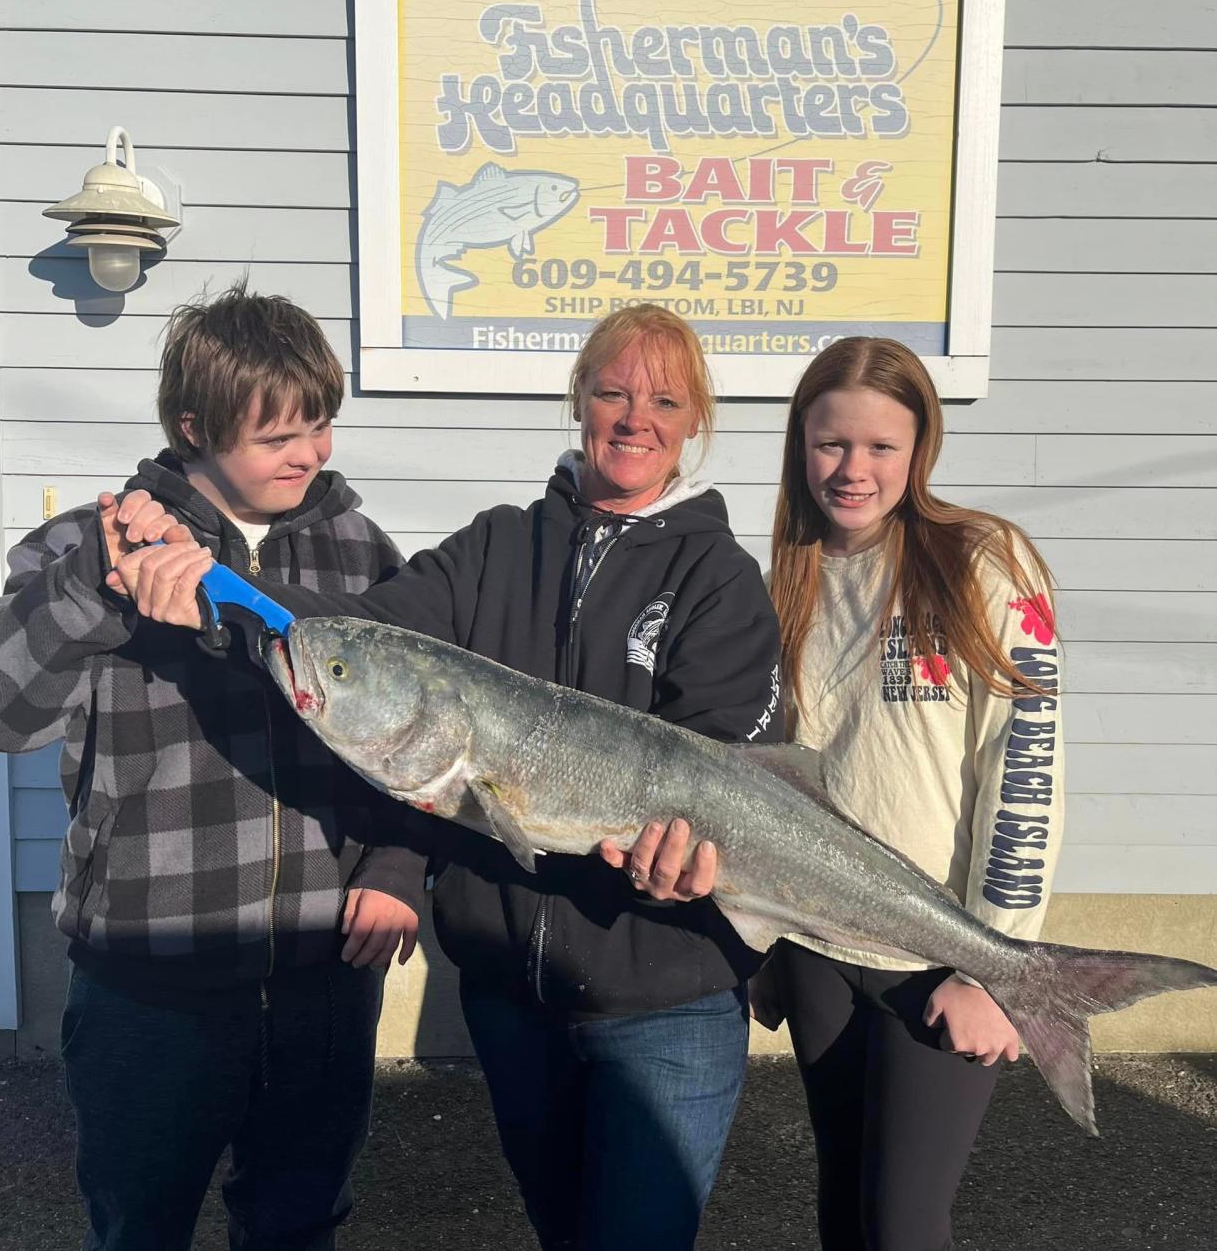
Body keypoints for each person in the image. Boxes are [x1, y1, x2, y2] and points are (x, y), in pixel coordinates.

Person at [111, 304, 785, 1251]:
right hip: (513, 996)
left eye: (665, 401)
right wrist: (210, 575)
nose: (635, 419)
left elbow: (736, 765)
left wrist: (700, 860)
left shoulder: (718, 576)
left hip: (662, 990)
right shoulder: (493, 547)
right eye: (612, 392)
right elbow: (355, 631)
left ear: (694, 421)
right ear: (578, 400)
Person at [0, 284, 426, 1251]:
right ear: (194, 427)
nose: (312, 454)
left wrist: (396, 867)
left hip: (323, 974)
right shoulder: (86, 546)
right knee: (142, 1227)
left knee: (298, 1223)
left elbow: (420, 741)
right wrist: (98, 591)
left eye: (322, 425)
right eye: (279, 438)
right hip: (150, 982)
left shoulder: (362, 554)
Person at [754, 337, 1066, 1251]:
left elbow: (1028, 767)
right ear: (799, 445)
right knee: (845, 1209)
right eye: (830, 443)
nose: (852, 470)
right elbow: (774, 780)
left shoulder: (987, 561)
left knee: (903, 1223)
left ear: (920, 448)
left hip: (943, 954)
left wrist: (995, 967)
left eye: (880, 447)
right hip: (816, 945)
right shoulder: (787, 578)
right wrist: (766, 932)